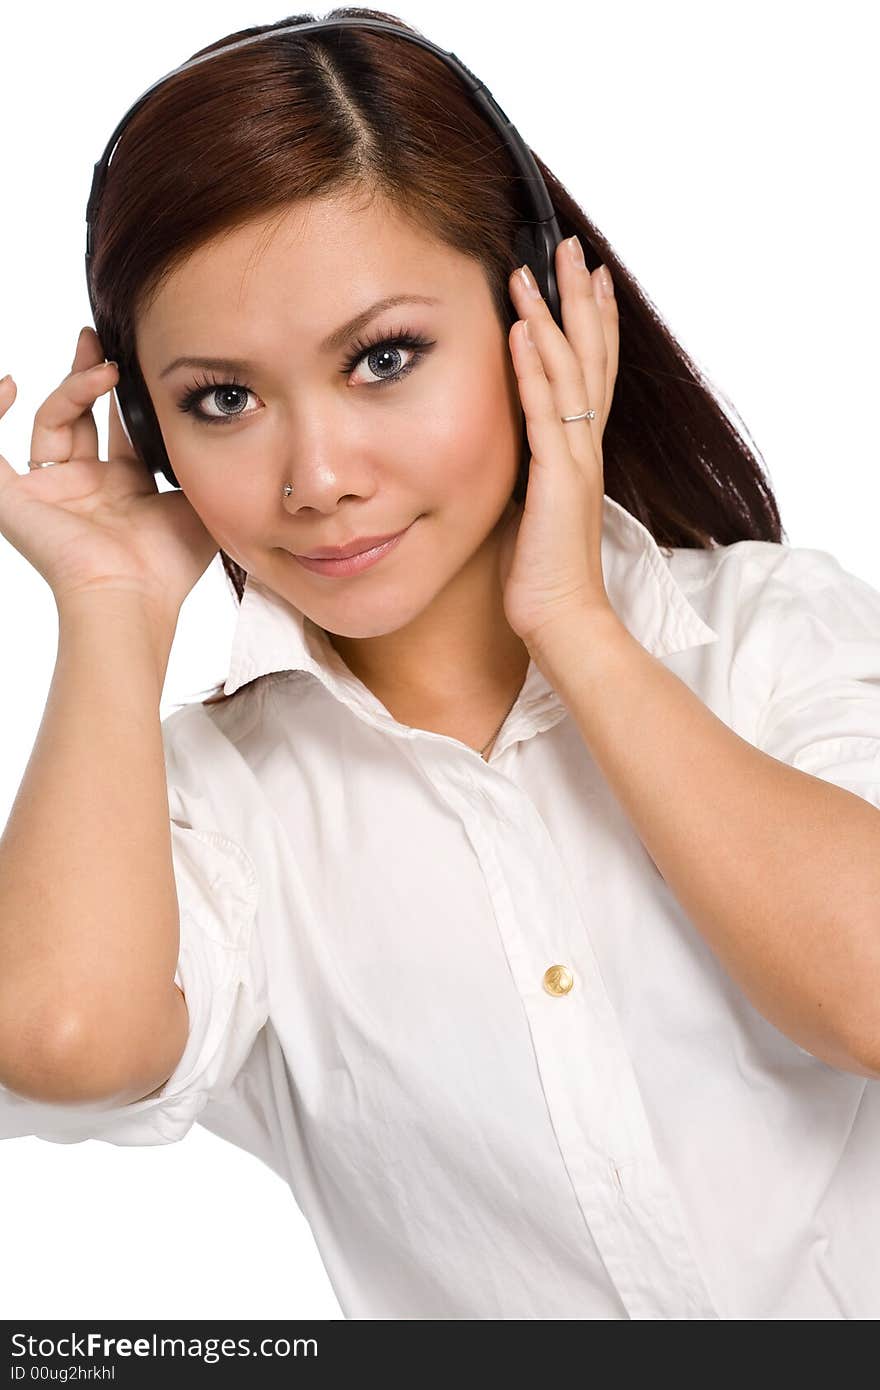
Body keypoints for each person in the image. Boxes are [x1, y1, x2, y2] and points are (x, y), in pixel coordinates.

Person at [1, 8, 879, 1321]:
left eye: (384, 358)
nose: (320, 478)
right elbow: (65, 1040)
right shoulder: (201, 807)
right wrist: (109, 609)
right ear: (153, 427)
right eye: (223, 399)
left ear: (537, 317)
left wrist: (576, 624)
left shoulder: (766, 633)